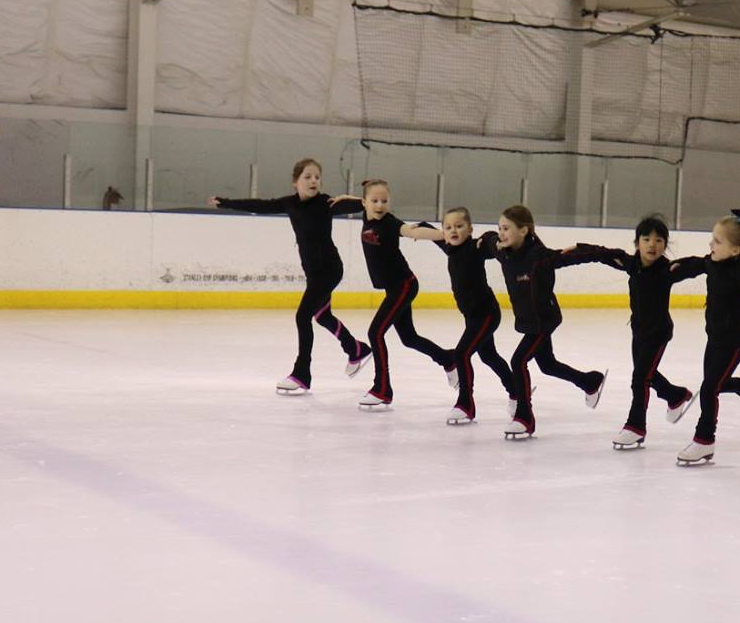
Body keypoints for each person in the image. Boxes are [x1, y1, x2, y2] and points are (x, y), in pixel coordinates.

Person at [208, 159, 370, 393]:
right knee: (322, 317)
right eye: (308, 176)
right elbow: (260, 205)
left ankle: (302, 374)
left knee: (302, 317)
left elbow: (362, 205)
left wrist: (364, 197)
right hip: (313, 273)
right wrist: (226, 203)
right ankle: (356, 349)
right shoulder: (290, 204)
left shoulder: (327, 203)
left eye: (317, 176)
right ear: (296, 182)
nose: (314, 180)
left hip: (329, 269)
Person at [484, 205, 609, 440]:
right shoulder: (503, 251)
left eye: (506, 228)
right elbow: (487, 239)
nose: (501, 233)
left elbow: (574, 256)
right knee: (547, 364)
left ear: (524, 230)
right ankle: (590, 381)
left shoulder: (538, 256)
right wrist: (491, 239)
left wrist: (598, 251)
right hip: (528, 320)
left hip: (544, 320)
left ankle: (524, 417)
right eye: (500, 228)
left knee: (518, 360)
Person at [577, 214, 697, 450]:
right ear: (637, 243)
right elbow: (603, 254)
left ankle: (636, 426)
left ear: (665, 245)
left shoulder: (669, 270)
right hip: (639, 330)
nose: (653, 244)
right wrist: (578, 248)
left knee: (640, 378)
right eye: (646, 239)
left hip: (659, 332)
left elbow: (699, 265)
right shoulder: (630, 264)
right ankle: (675, 395)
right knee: (645, 375)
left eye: (659, 240)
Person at [334, 180, 455, 410]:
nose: (380, 205)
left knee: (375, 332)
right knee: (409, 338)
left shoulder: (389, 223)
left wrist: (441, 234)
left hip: (404, 286)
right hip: (394, 288)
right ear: (365, 203)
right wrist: (343, 199)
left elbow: (411, 230)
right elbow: (356, 201)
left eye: (385, 201)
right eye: (375, 201)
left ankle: (382, 388)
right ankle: (448, 360)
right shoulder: (366, 213)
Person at [668, 213, 740, 466]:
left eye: (717, 241)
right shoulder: (712, 262)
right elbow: (694, 264)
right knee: (714, 384)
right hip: (715, 337)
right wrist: (670, 269)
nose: (711, 245)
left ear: (735, 249)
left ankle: (704, 441)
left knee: (709, 388)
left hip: (735, 340)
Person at [401, 207, 513, 425]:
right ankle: (516, 391)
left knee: (461, 354)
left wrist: (492, 239)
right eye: (448, 227)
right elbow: (430, 232)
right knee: (488, 356)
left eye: (459, 226)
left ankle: (465, 404)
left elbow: (490, 242)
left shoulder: (475, 248)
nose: (453, 231)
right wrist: (417, 227)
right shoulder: (449, 247)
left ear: (470, 230)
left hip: (486, 313)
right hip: (472, 316)